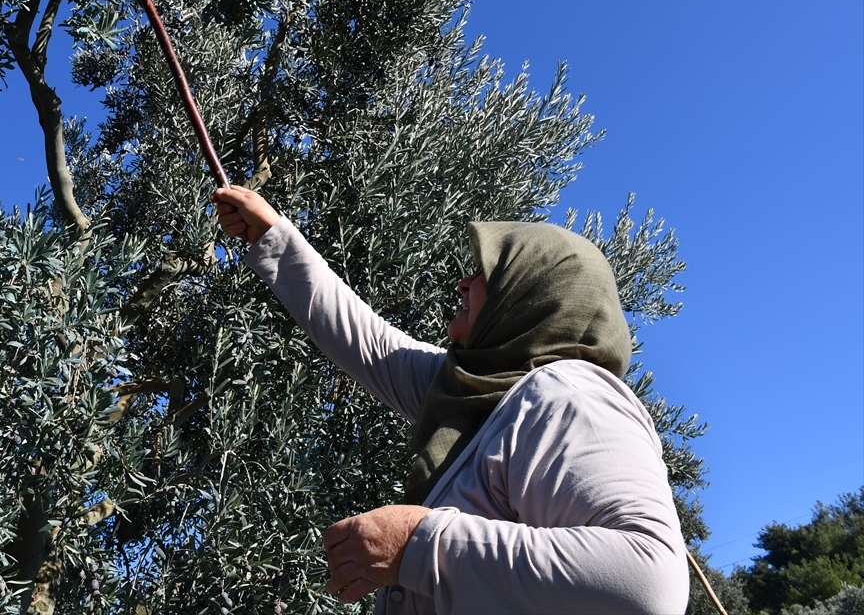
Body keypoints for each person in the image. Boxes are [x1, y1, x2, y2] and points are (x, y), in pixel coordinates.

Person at [212, 185, 689, 614]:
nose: (463, 283)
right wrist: (273, 236)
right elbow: (369, 344)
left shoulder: (567, 395)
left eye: (488, 273)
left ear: (527, 297)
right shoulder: (474, 390)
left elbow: (649, 585)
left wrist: (419, 546)